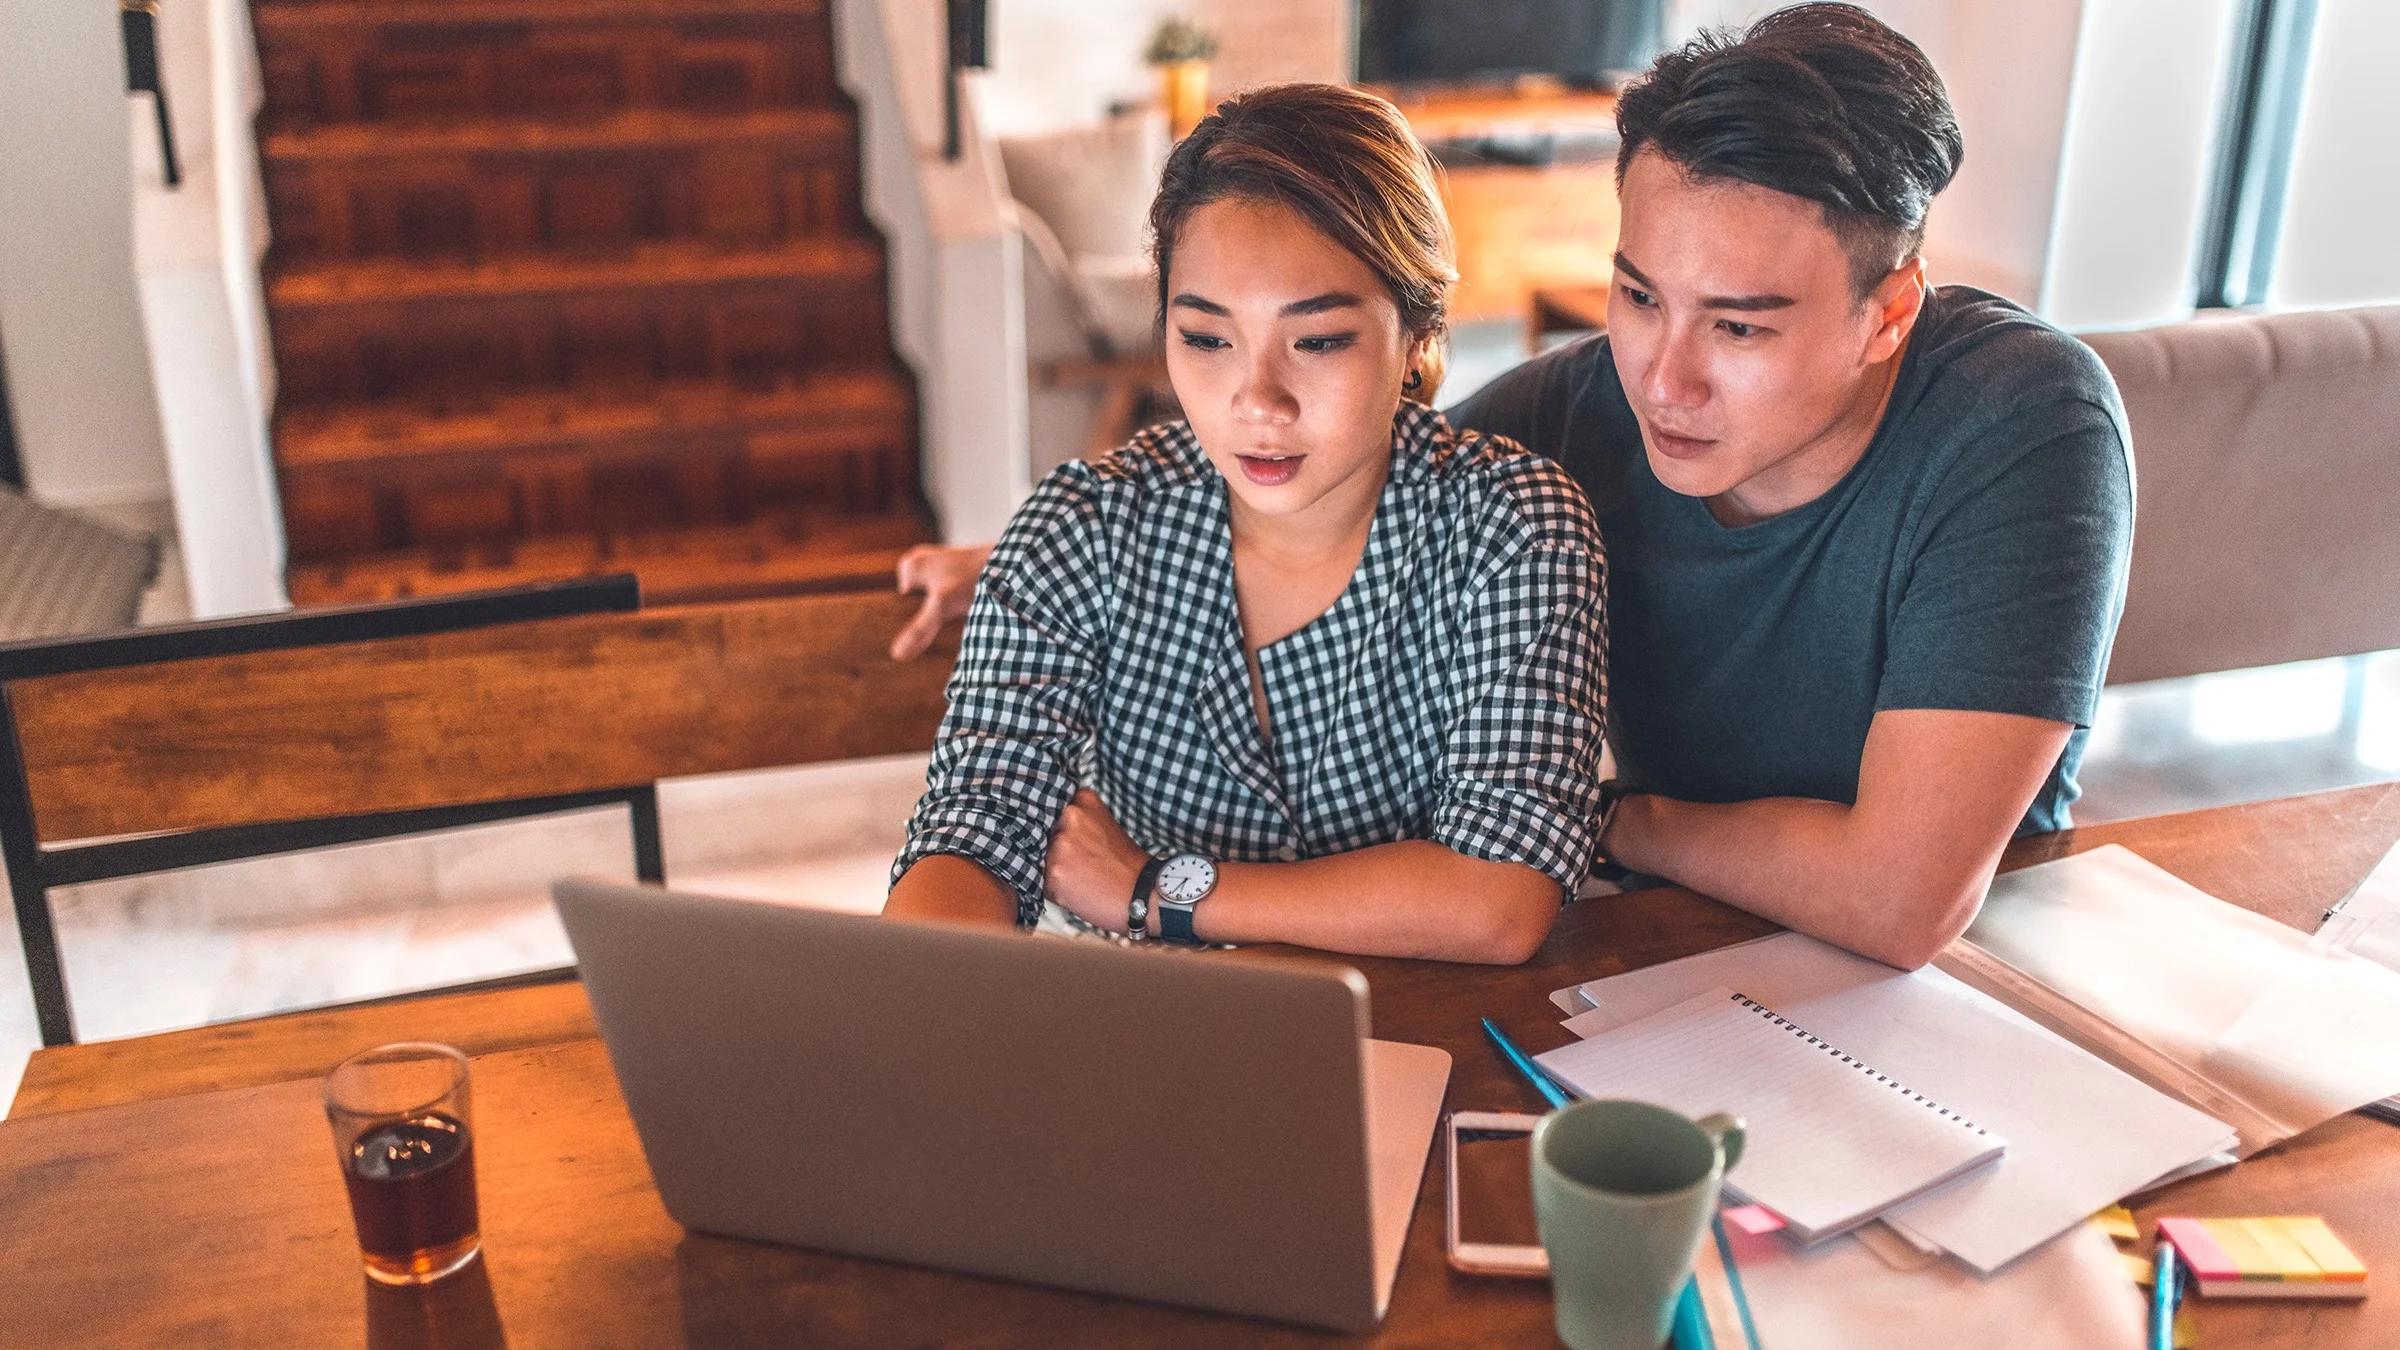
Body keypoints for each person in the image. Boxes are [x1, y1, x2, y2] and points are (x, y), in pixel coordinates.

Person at [888, 5, 2134, 972]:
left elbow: (1899, 900)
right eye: (1638, 294)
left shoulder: (2019, 421)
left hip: (1963, 986)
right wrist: (1020, 559)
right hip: (1659, 959)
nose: (1664, 378)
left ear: (1886, 316)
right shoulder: (1576, 413)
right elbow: (1322, 477)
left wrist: (1605, 823)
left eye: (1739, 330)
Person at [882, 84, 1609, 965]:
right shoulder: (1081, 529)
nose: (1256, 402)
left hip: (1427, 1031)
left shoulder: (1513, 530)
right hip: (1152, 1038)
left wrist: (1155, 891)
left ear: (1418, 331)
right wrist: (916, 1001)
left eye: (1319, 340)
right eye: (1207, 339)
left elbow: (1499, 896)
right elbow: (975, 829)